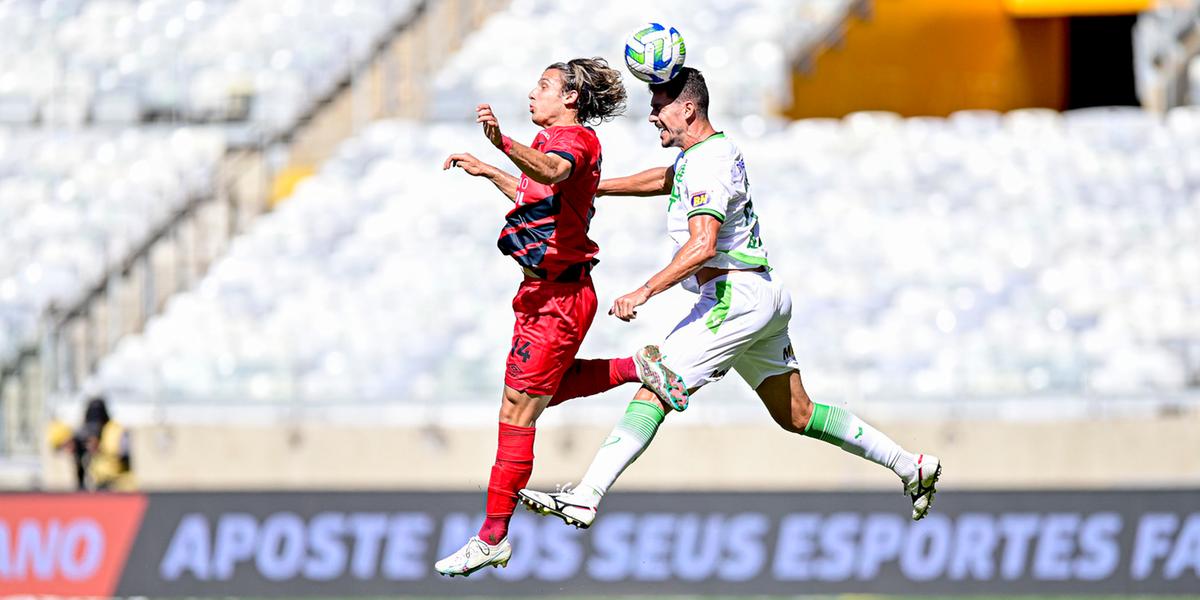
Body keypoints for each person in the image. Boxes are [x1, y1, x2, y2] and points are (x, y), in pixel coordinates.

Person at [519, 67, 941, 529]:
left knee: (657, 383)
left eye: (659, 108)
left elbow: (701, 245)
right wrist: (592, 184)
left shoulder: (708, 163)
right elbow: (666, 179)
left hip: (732, 296)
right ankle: (910, 465)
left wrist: (645, 290)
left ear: (688, 108)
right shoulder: (705, 154)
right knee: (796, 413)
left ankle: (587, 494)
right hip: (760, 293)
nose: (652, 117)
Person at [434, 57, 688, 577]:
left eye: (544, 86)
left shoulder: (574, 142)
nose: (533, 94)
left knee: (517, 411)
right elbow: (538, 191)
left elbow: (552, 172)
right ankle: (635, 368)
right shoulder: (550, 146)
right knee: (538, 394)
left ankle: (492, 536)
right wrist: (491, 173)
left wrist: (501, 143)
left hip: (559, 298)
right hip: (542, 294)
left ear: (570, 98)